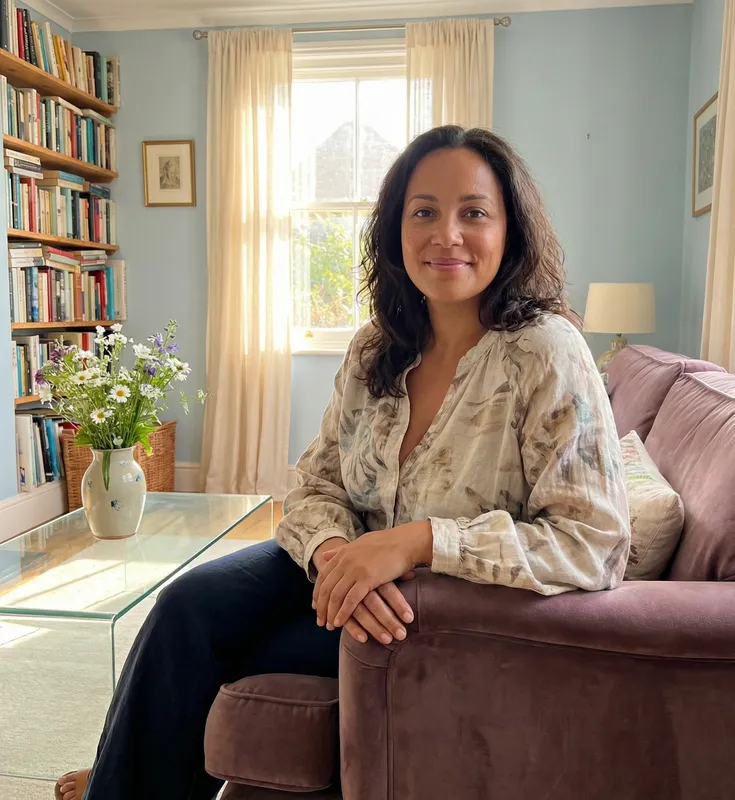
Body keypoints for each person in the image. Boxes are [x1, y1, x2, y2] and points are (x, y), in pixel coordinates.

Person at [56, 125, 630, 800]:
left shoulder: (546, 352)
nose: (447, 234)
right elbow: (317, 483)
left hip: (440, 606)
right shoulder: (373, 349)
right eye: (424, 212)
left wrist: (415, 544)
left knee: (224, 656)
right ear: (394, 232)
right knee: (187, 607)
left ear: (511, 231)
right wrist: (334, 555)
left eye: (474, 212)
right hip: (340, 571)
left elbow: (593, 541)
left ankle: (127, 774)